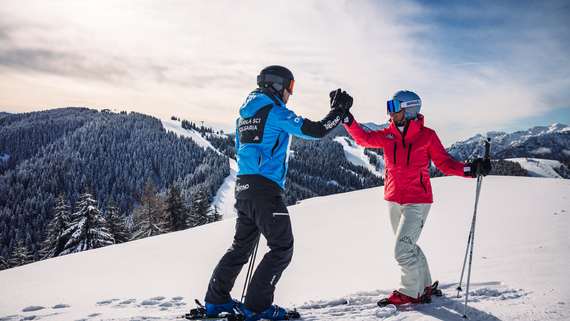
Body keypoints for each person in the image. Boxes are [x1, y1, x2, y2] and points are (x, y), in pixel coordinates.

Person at [203, 65, 353, 321]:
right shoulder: (275, 112)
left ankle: (216, 299)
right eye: (290, 87)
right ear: (277, 85)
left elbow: (243, 150)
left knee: (241, 247)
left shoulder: (243, 117)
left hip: (245, 188)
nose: (290, 94)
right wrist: (338, 112)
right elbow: (315, 130)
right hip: (265, 190)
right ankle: (257, 305)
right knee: (282, 247)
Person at [341, 90, 491, 306]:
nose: (390, 112)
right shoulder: (388, 134)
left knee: (402, 249)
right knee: (408, 245)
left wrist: (471, 168)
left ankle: (411, 292)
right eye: (389, 106)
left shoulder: (427, 136)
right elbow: (364, 138)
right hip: (393, 198)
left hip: (417, 200)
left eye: (394, 106)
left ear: (410, 108)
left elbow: (446, 163)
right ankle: (425, 285)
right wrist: (348, 119)